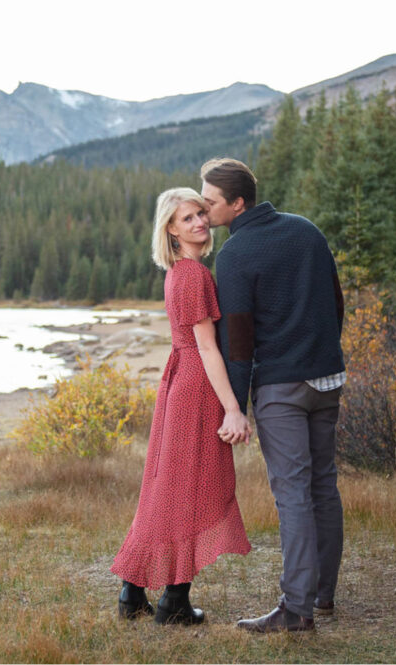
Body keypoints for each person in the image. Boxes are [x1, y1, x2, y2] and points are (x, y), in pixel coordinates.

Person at [200, 158, 346, 633]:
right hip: (327, 379)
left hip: (282, 388)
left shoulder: (237, 253)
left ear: (237, 203)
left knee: (294, 496)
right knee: (322, 484)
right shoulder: (306, 230)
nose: (204, 211)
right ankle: (322, 595)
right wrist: (323, 354)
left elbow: (238, 343)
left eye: (210, 202)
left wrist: (233, 406)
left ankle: (297, 609)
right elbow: (336, 300)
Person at [110, 187, 251, 625]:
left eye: (201, 214)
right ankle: (173, 600)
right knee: (188, 487)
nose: (199, 223)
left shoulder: (179, 273)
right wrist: (233, 408)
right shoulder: (193, 276)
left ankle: (135, 592)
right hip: (195, 385)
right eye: (187, 218)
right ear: (170, 229)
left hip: (181, 381)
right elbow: (208, 349)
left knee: (168, 487)